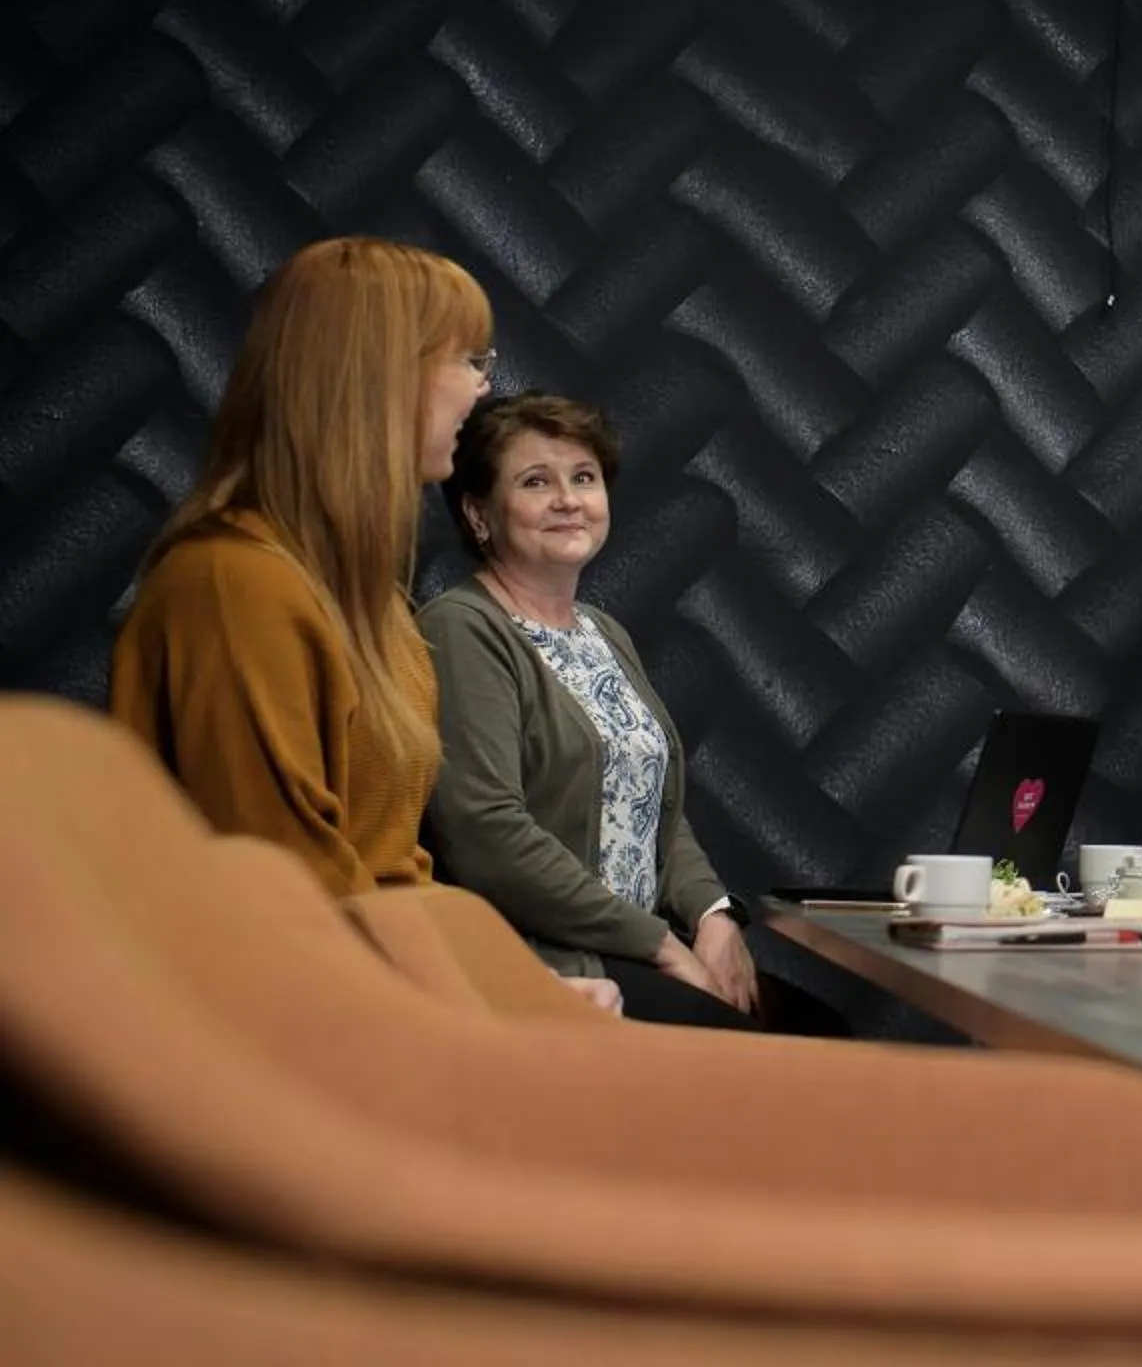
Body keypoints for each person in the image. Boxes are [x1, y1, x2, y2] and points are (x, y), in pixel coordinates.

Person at [109, 237, 495, 901]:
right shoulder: (233, 585)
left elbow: (394, 870)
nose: (484, 383)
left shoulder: (377, 606)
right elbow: (291, 890)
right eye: (465, 358)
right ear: (376, 375)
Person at [420, 394, 762, 1028]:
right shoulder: (463, 630)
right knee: (771, 1052)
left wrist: (714, 915)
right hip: (552, 964)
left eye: (583, 478)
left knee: (817, 1029)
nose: (568, 500)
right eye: (535, 482)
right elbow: (486, 833)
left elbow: (650, 800)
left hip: (628, 951)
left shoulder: (602, 632)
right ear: (478, 513)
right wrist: (661, 945)